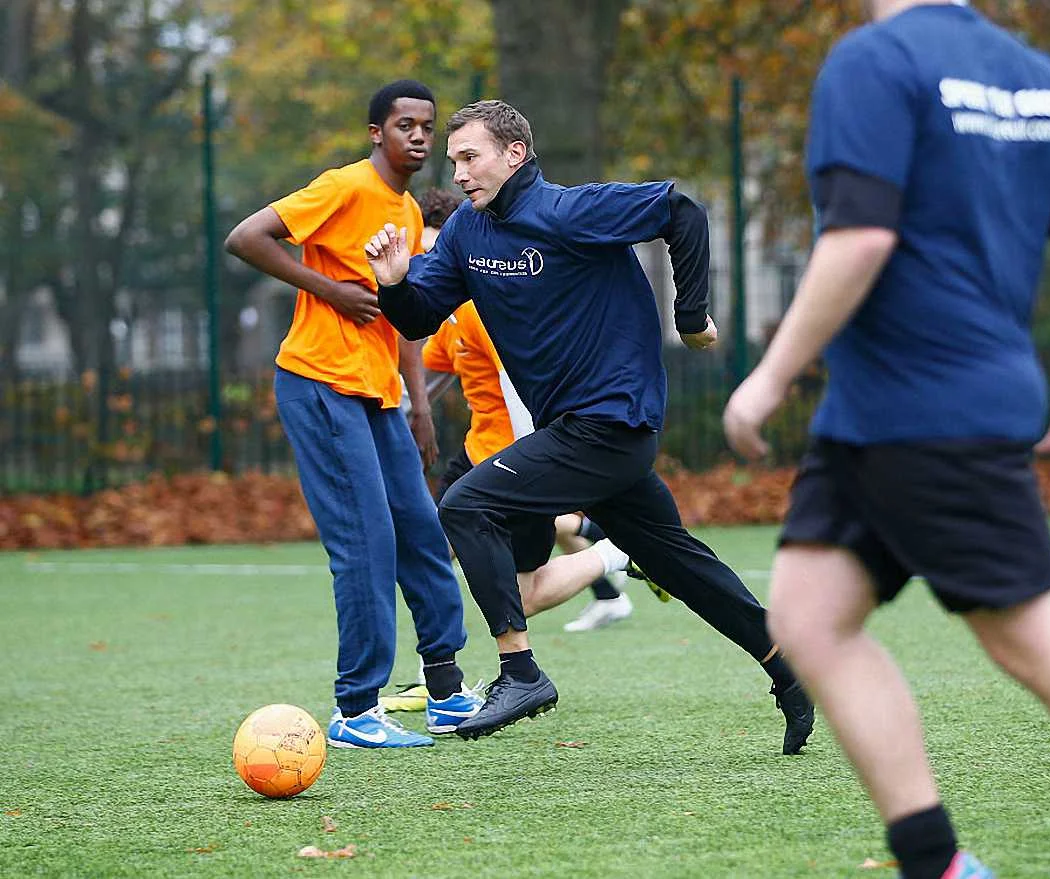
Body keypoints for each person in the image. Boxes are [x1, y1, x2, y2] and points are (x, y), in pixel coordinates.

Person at [722, 2, 1050, 877]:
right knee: (810, 617)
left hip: (921, 412)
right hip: (880, 418)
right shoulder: (1038, 77)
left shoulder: (874, 61)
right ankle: (937, 862)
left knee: (1044, 642)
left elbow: (862, 235)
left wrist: (771, 373)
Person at [362, 99, 816, 750]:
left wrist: (690, 317)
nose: (458, 172)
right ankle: (787, 665)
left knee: (464, 504)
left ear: (514, 154)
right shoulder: (466, 231)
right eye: (453, 160)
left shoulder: (568, 211)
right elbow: (417, 315)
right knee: (678, 564)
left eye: (470, 157)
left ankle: (520, 672)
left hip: (612, 424)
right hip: (571, 434)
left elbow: (681, 211)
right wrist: (392, 283)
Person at [224, 79, 482, 748]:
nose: (418, 136)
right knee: (367, 542)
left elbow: (403, 314)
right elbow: (246, 237)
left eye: (426, 126)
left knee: (421, 531)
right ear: (377, 133)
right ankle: (357, 709)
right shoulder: (343, 187)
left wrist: (419, 404)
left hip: (380, 396)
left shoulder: (406, 210)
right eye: (404, 125)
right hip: (319, 382)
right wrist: (329, 290)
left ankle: (446, 691)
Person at [418, 188, 653, 634]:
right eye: (421, 251)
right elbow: (427, 381)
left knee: (520, 594)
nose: (426, 262)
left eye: (433, 250)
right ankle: (438, 668)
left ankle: (619, 553)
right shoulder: (448, 316)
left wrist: (538, 471)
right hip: (476, 453)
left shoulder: (483, 308)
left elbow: (522, 392)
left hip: (510, 462)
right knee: (428, 551)